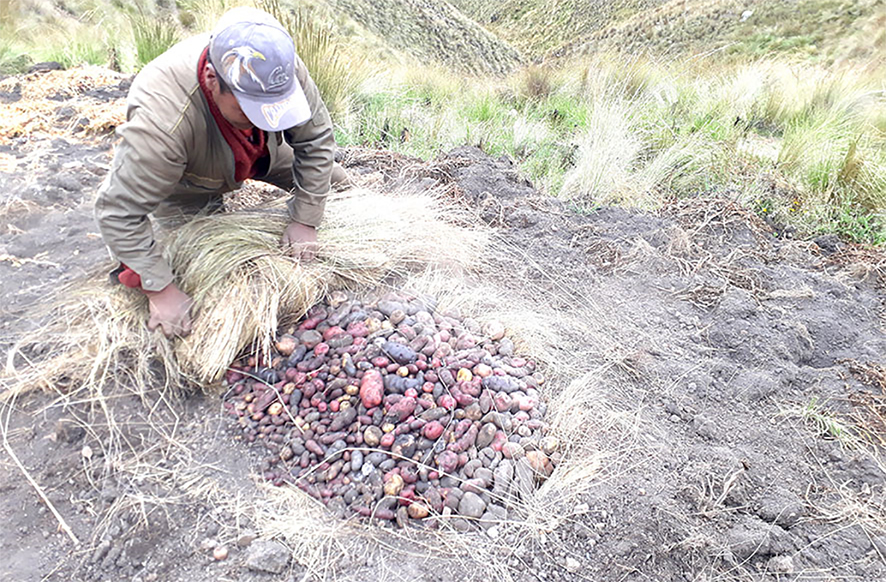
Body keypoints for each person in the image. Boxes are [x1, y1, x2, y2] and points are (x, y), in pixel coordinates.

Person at [94, 7, 342, 338]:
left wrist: (306, 219)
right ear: (212, 79)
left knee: (340, 186)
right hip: (191, 179)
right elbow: (118, 211)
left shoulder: (276, 66)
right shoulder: (164, 124)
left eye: (276, 106)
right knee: (201, 261)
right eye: (251, 108)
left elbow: (316, 140)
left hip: (262, 149)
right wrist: (160, 290)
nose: (268, 117)